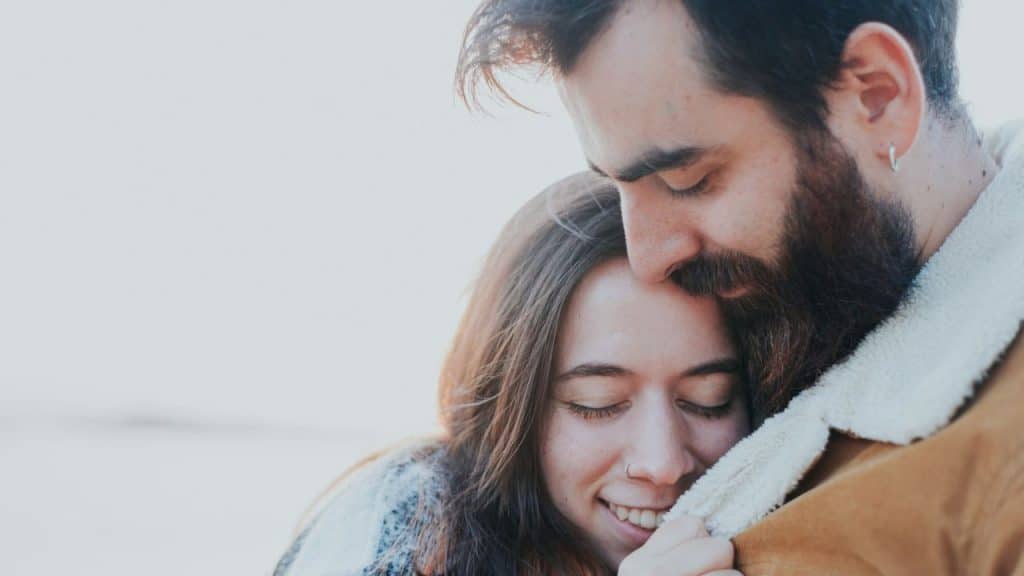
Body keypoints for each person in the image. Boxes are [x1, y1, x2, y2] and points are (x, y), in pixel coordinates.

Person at [457, 0, 1024, 573]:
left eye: (687, 180)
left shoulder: (1000, 467)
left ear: (878, 95)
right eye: (596, 404)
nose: (646, 259)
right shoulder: (798, 301)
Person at [273, 173, 750, 575]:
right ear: (508, 400)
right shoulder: (403, 527)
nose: (662, 462)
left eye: (709, 399)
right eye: (597, 403)